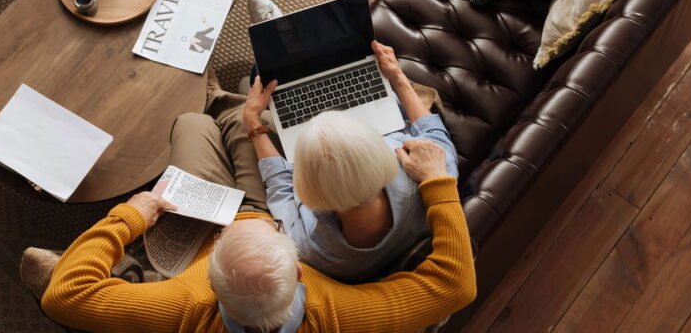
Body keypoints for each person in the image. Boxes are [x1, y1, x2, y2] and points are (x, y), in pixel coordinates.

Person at [40, 136, 476, 332]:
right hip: (256, 206)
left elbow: (63, 297)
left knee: (192, 126)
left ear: (210, 279)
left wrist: (131, 216)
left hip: (222, 214)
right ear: (300, 272)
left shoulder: (186, 304)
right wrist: (438, 182)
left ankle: (223, 108)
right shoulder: (340, 315)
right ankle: (230, 107)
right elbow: (456, 285)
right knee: (242, 128)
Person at [243, 0, 460, 282]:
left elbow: (281, 187)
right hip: (381, 124)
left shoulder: (308, 246)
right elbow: (432, 131)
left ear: (307, 190)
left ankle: (278, 37)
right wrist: (396, 77)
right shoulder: (432, 177)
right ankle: (283, 42)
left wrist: (252, 121)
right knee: (353, 56)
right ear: (382, 153)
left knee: (263, 79)